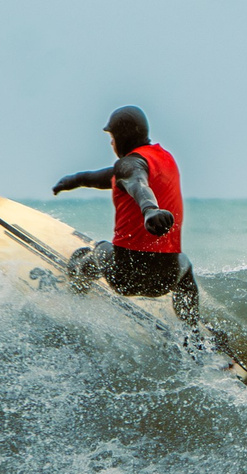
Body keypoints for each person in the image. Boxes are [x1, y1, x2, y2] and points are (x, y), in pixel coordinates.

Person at [52, 105, 202, 321]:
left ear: (122, 137)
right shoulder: (163, 159)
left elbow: (138, 185)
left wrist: (150, 209)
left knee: (100, 249)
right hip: (165, 279)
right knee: (185, 266)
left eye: (112, 137)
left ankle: (76, 285)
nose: (111, 143)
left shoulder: (130, 166)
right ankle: (192, 329)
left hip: (125, 276)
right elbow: (111, 177)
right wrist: (74, 180)